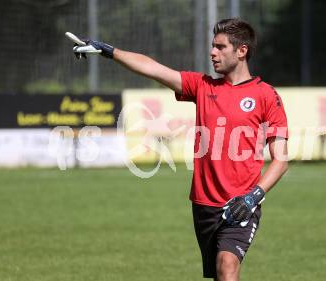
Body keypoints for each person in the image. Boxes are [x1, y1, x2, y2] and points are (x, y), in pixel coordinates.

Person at [72, 18, 289, 281]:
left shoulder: (266, 96)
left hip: (241, 205)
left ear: (241, 51)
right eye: (212, 46)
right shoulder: (202, 86)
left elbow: (280, 160)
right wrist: (110, 51)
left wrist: (253, 197)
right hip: (203, 206)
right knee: (219, 273)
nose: (212, 52)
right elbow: (153, 69)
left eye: (220, 47)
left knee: (227, 266)